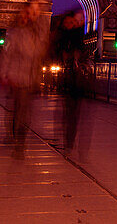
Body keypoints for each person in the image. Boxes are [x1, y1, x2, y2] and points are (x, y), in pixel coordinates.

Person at [0, 2, 47, 158]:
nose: (28, 16)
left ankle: (18, 138)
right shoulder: (15, 33)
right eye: (26, 13)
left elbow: (39, 54)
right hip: (16, 77)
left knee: (23, 112)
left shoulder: (36, 32)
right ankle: (18, 142)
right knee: (20, 111)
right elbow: (7, 55)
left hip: (30, 78)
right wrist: (4, 74)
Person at [50, 10, 89, 152]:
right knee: (66, 112)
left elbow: (84, 55)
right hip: (66, 80)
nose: (69, 24)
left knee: (72, 113)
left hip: (76, 81)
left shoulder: (78, 38)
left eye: (72, 22)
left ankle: (69, 142)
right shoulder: (60, 37)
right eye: (67, 22)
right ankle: (66, 140)